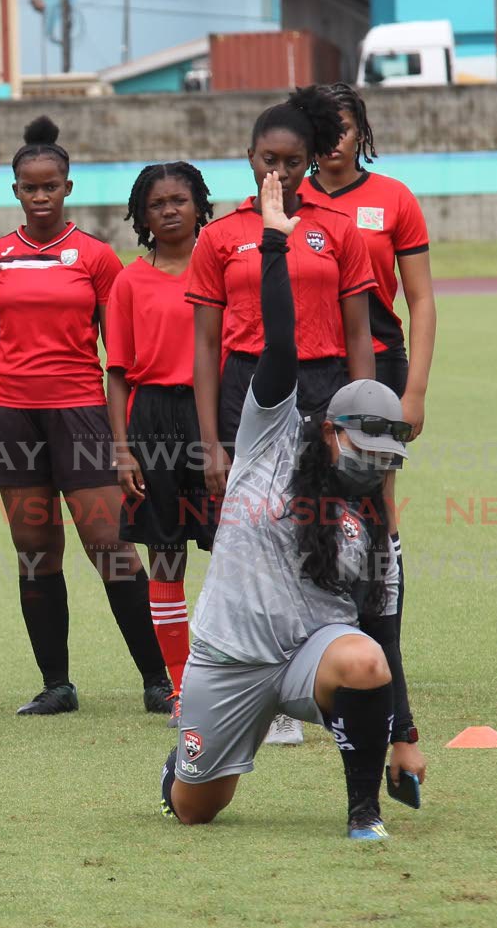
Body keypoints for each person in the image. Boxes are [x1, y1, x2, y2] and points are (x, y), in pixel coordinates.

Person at [160, 172, 427, 840]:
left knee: (365, 659)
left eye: (384, 453)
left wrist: (404, 736)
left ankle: (362, 815)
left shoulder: (370, 517)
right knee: (197, 809)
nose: (372, 461)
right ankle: (184, 765)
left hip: (314, 655)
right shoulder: (271, 439)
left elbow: (382, 632)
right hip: (231, 656)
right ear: (332, 429)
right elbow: (281, 348)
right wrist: (276, 246)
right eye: (362, 444)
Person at [186, 86, 378, 745]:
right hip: (252, 391)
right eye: (268, 159)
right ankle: (253, 671)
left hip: (326, 387)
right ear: (248, 157)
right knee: (252, 530)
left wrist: (366, 424)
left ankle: (323, 664)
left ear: (310, 160)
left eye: (292, 161)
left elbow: (360, 335)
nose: (280, 173)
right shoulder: (219, 237)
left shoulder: (340, 231)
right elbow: (207, 345)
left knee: (326, 530)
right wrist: (211, 441)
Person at [0, 117, 172, 717]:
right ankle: (57, 684)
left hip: (81, 415)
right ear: (16, 192)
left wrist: (125, 433)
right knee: (34, 549)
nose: (41, 195)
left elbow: (118, 355)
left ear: (68, 187)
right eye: (30, 187)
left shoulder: (97, 258)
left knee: (109, 545)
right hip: (12, 419)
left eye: (51, 185)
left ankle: (158, 680)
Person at [302, 84, 436, 733]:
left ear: (362, 132)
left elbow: (422, 299)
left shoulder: (393, 200)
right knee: (305, 506)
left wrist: (414, 392)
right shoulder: (288, 204)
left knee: (374, 511)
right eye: (321, 129)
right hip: (310, 367)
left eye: (344, 127)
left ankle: (383, 648)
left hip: (378, 371)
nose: (333, 140)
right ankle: (313, 653)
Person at [106, 162, 216, 727]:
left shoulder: (221, 267)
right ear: (142, 216)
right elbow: (118, 373)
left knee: (233, 556)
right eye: (157, 203)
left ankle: (239, 686)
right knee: (165, 556)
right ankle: (180, 691)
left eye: (180, 199)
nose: (170, 209)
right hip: (153, 421)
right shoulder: (129, 282)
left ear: (201, 204)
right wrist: (123, 450)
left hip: (214, 415)